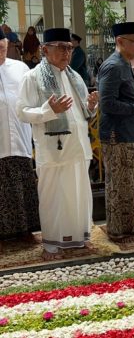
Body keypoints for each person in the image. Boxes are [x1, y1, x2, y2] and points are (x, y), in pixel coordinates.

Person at [16, 28, 98, 260]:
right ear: (45, 49)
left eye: (69, 48)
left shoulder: (75, 76)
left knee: (79, 194)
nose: (66, 52)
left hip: (78, 147)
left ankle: (79, 239)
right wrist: (48, 110)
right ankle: (52, 244)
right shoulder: (32, 77)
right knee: (54, 196)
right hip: (53, 150)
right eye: (61, 47)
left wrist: (91, 106)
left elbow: (83, 112)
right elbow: (22, 111)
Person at [97, 22, 134, 242]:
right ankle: (120, 231)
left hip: (132, 133)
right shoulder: (112, 66)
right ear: (120, 41)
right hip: (118, 136)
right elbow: (107, 104)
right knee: (121, 186)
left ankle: (131, 225)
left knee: (132, 184)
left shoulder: (125, 64)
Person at [0, 27, 40, 242]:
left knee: (22, 183)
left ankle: (26, 230)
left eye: (4, 48)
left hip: (20, 137)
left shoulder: (20, 68)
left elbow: (31, 100)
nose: (2, 53)